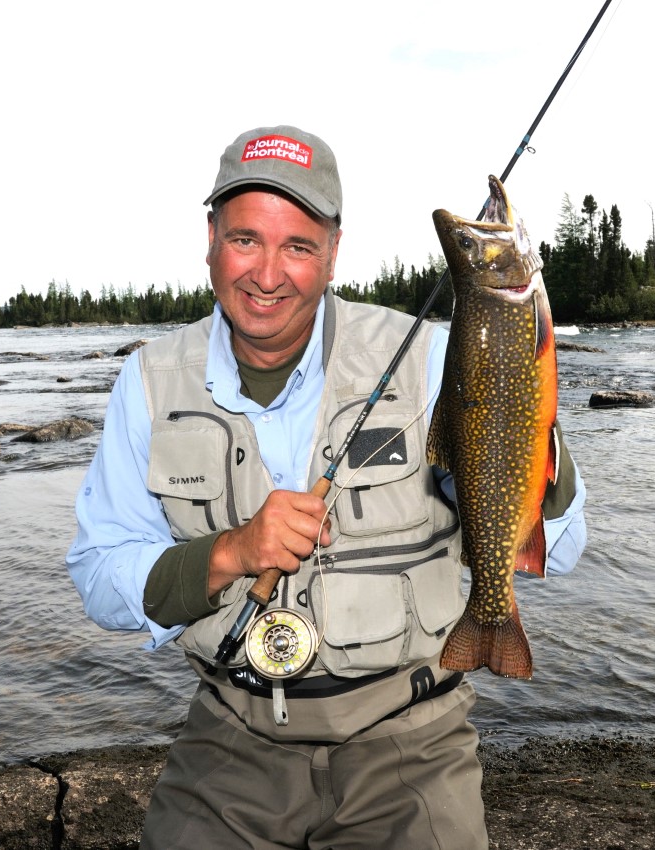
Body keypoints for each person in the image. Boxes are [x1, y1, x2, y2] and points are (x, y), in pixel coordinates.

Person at [66, 124, 588, 850]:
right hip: (230, 736)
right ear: (211, 239)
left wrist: (522, 414)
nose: (268, 274)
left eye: (299, 246)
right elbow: (97, 574)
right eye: (246, 239)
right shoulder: (148, 383)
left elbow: (562, 551)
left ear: (335, 252)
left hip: (411, 740)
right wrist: (231, 553)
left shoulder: (435, 357)